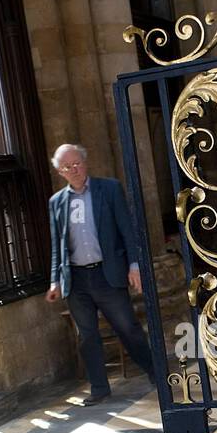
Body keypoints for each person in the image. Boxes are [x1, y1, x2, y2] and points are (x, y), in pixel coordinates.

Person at [45, 144, 156, 404]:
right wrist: (54, 281)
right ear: (60, 172)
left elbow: (127, 230)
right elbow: (56, 246)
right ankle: (99, 389)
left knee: (127, 327)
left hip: (107, 274)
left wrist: (134, 266)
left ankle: (155, 371)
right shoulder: (56, 202)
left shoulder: (109, 189)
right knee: (87, 336)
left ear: (85, 163)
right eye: (66, 167)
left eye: (76, 164)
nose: (73, 170)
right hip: (76, 279)